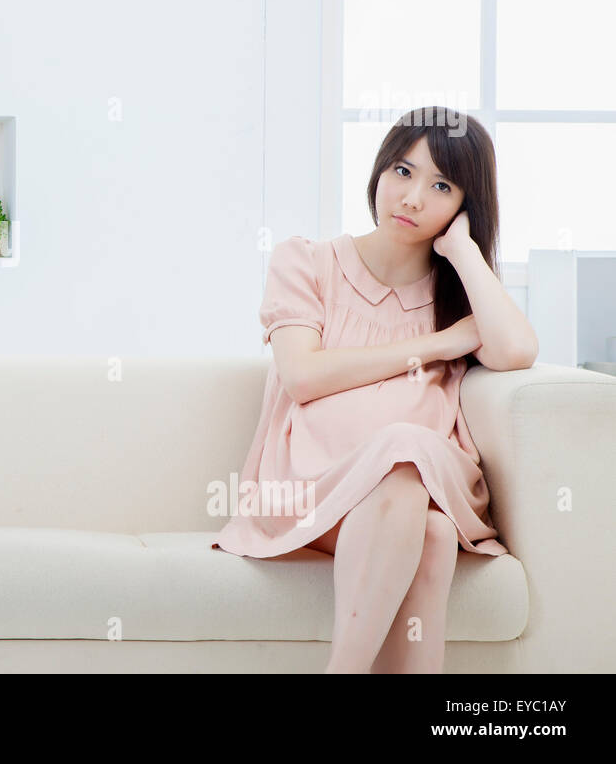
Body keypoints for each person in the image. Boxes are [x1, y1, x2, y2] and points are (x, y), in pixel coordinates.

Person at [212, 106, 538, 674]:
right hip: (311, 484)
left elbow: (515, 351)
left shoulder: (458, 292)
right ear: (380, 171)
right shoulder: (306, 262)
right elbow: (304, 376)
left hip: (411, 491)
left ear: (465, 206)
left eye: (441, 186)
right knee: (411, 471)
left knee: (426, 512)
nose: (412, 198)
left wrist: (463, 250)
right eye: (402, 172)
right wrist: (437, 347)